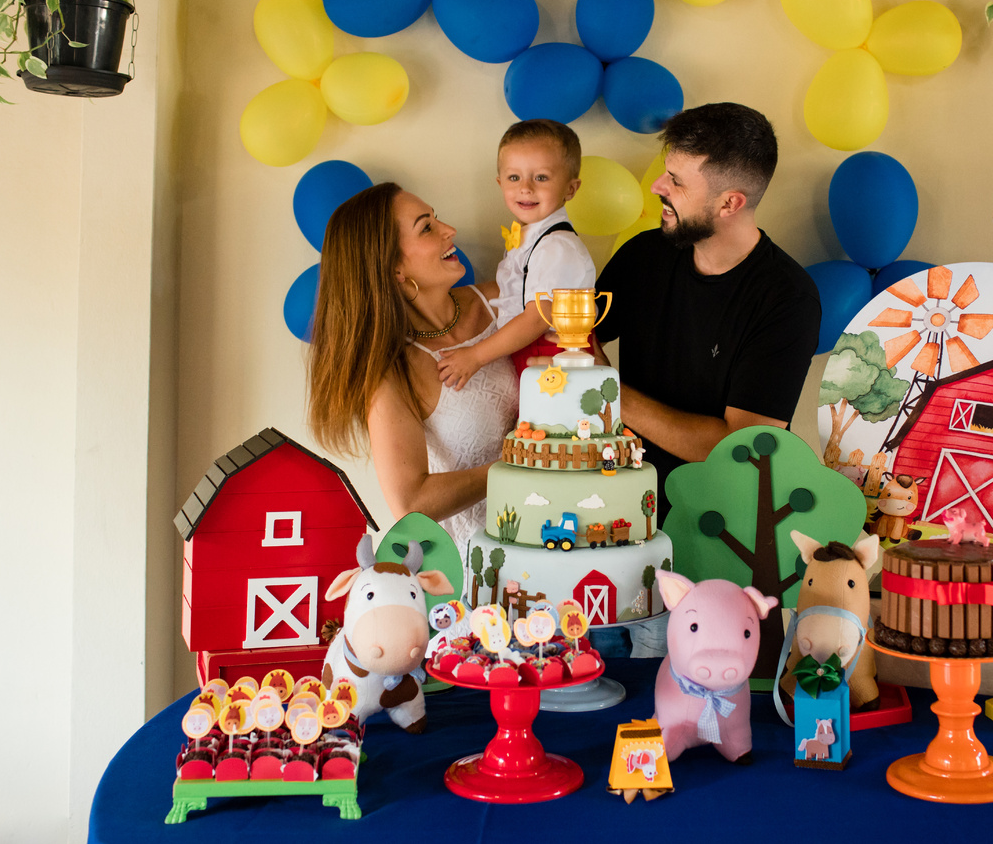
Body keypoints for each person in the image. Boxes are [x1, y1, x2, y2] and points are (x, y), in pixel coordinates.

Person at [594, 102, 821, 516]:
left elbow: (738, 446)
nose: (657, 186)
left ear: (730, 203)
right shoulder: (643, 255)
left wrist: (607, 393)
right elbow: (575, 336)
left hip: (716, 524)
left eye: (676, 181)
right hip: (616, 503)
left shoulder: (787, 298)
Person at [308, 183, 519, 546]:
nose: (449, 230)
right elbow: (410, 503)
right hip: (482, 565)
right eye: (427, 227)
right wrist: (517, 468)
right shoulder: (392, 373)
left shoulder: (502, 302)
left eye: (437, 219)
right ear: (394, 270)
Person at [438, 119, 597, 388]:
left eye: (541, 177)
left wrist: (476, 356)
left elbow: (537, 319)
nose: (526, 187)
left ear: (570, 189)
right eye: (514, 177)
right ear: (500, 183)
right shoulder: (532, 238)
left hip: (553, 358)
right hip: (530, 353)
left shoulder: (556, 246)